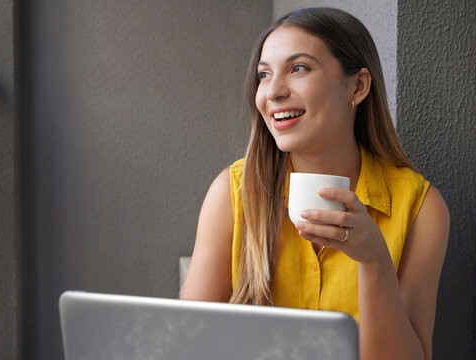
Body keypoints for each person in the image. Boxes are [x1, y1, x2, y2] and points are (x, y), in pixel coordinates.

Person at [180, 7, 449, 360]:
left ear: (358, 85)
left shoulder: (420, 207)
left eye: (298, 68)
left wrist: (374, 262)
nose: (273, 91)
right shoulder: (232, 193)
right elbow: (184, 345)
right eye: (264, 74)